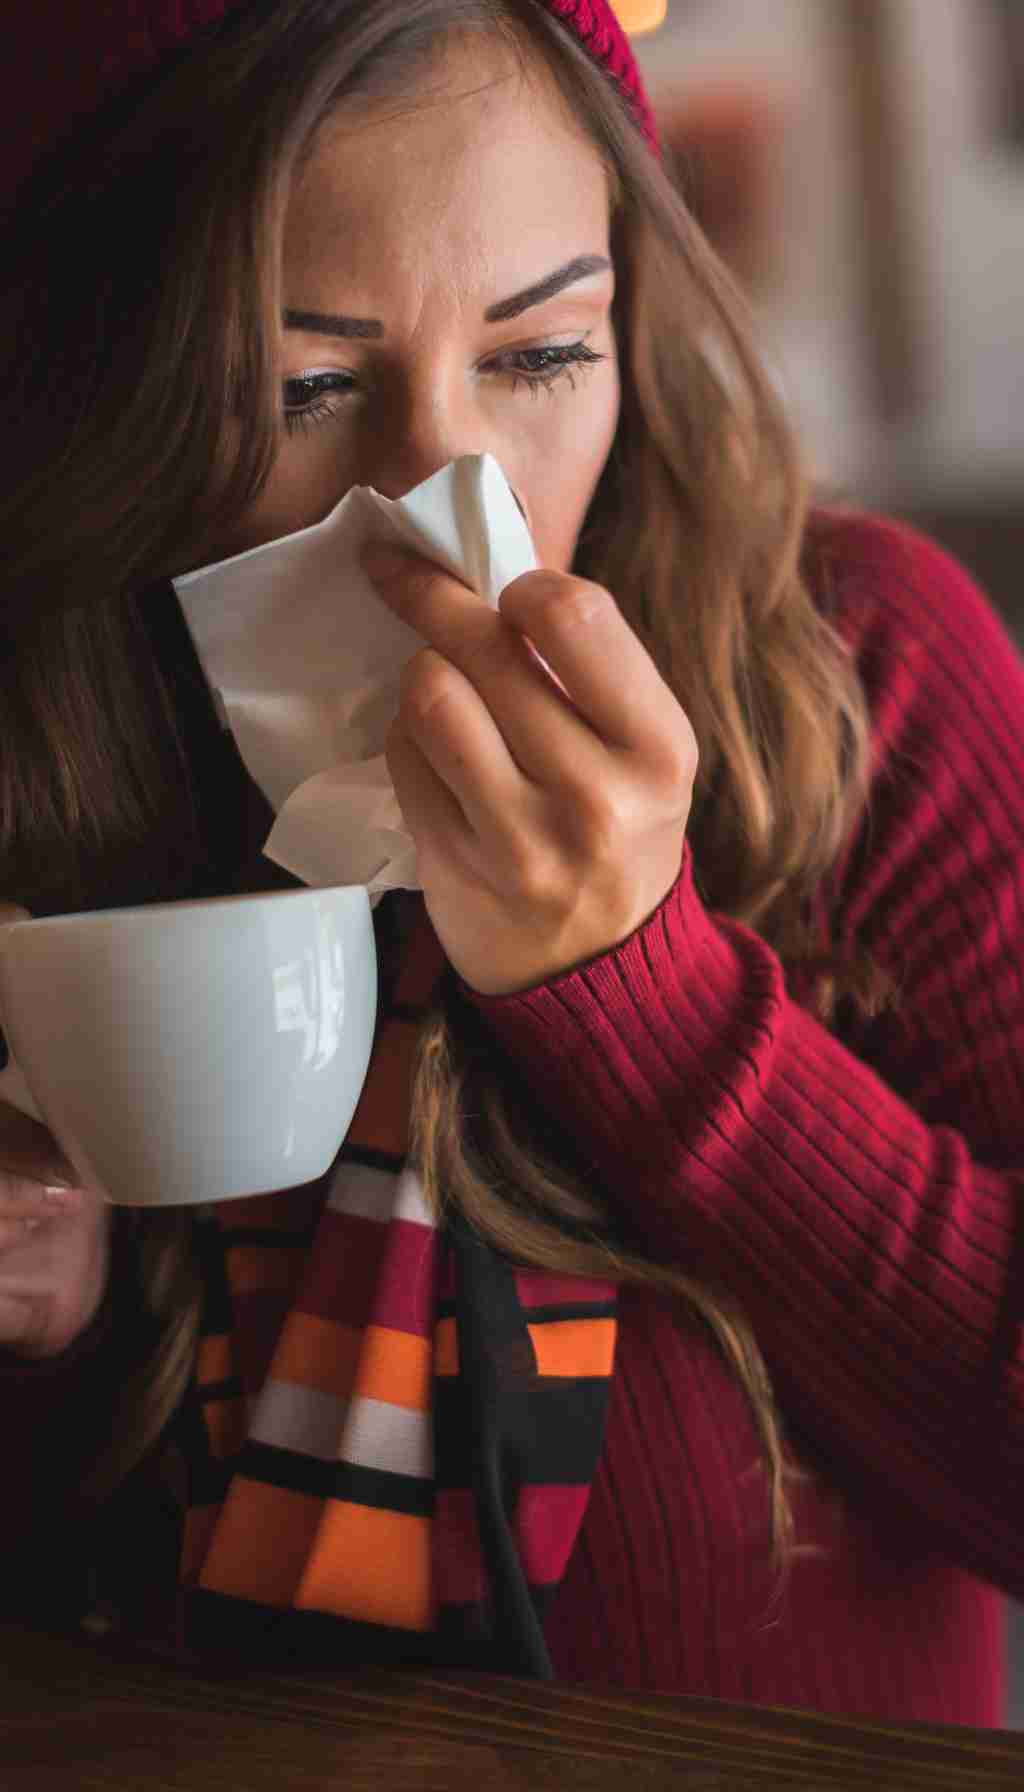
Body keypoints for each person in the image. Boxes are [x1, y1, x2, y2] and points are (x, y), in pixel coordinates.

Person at [1, 0, 1022, 1730]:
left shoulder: (856, 672)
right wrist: (45, 1345)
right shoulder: (46, 769)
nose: (447, 493)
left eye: (542, 356)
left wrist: (640, 982)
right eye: (306, 387)